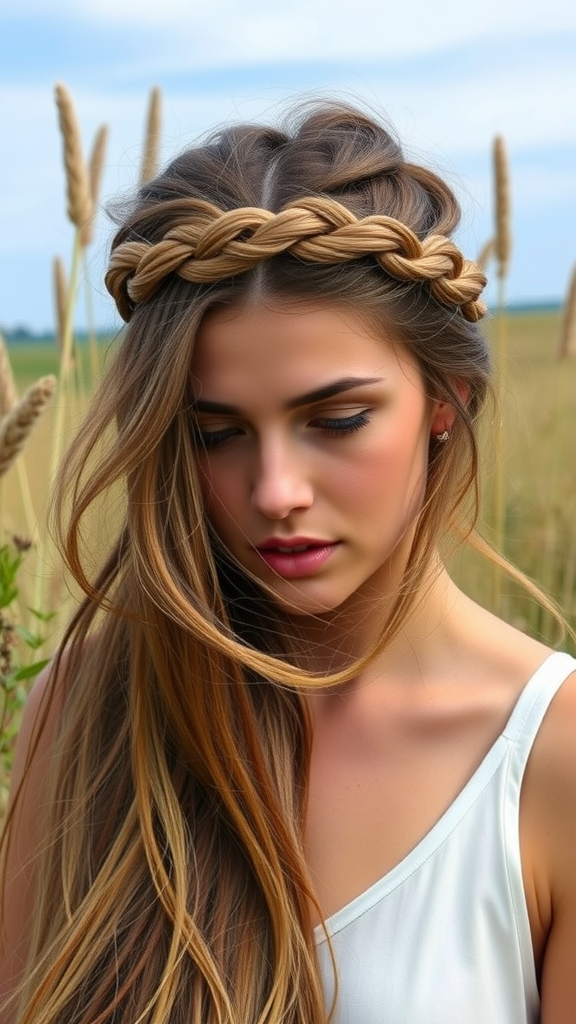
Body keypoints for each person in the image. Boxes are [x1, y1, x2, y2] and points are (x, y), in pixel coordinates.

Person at [1, 100, 575, 1024]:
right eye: (218, 433)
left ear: (445, 400)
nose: (274, 490)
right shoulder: (89, 708)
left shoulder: (551, 753)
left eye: (336, 421)